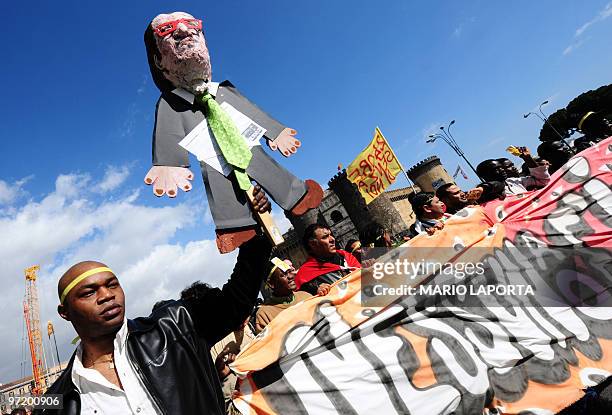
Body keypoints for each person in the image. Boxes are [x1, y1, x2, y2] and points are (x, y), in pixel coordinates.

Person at [37, 188, 272, 415]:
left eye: (112, 285)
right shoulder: (57, 401)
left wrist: (252, 227)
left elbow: (237, 300)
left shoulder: (176, 325)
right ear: (64, 312)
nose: (107, 295)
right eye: (89, 292)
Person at [143, 11, 323, 253]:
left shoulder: (225, 91)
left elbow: (251, 112)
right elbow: (168, 130)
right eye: (167, 30)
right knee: (219, 180)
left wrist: (276, 132)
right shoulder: (171, 103)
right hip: (210, 153)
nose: (183, 31)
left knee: (266, 165)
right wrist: (169, 163)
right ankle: (235, 226)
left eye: (192, 25)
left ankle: (297, 196)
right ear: (158, 61)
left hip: (244, 141)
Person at [295, 224, 361, 295]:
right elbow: (302, 297)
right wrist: (315, 289)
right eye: (325, 237)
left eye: (330, 235)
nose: (332, 239)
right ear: (313, 244)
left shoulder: (345, 255)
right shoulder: (304, 273)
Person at [254, 258, 312, 334]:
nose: (290, 276)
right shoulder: (264, 314)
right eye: (283, 275)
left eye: (289, 272)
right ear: (271, 284)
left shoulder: (305, 296)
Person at [476, 147, 549, 194]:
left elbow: (543, 180)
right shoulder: (485, 194)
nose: (502, 170)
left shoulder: (515, 181)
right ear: (484, 176)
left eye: (501, 167)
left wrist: (527, 158)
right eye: (496, 169)